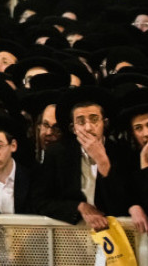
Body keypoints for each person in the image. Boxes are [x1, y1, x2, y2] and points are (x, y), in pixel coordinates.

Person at [38, 87, 135, 229]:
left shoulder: (123, 153)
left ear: (105, 123)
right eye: (81, 122)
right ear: (73, 128)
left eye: (94, 119)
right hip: (73, 234)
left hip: (116, 233)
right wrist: (79, 206)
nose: (88, 127)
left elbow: (125, 202)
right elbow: (40, 201)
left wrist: (103, 163)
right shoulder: (57, 153)